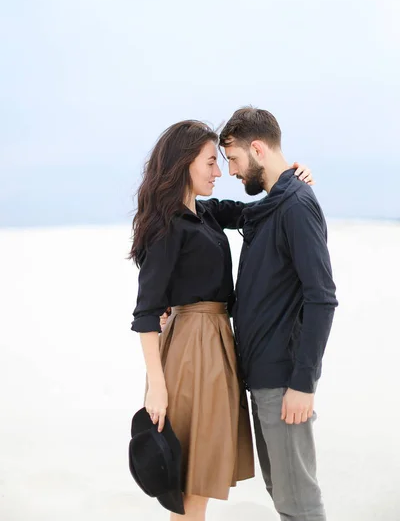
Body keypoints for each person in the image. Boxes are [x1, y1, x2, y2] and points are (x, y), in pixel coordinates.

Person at [130, 119, 314, 521]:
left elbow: (261, 211)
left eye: (221, 162)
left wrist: (293, 179)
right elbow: (145, 315)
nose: (220, 172)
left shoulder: (207, 213)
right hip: (190, 354)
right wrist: (156, 389)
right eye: (211, 162)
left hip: (218, 349)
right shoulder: (166, 226)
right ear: (183, 164)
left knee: (202, 480)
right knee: (189, 487)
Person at [219, 107, 338, 521]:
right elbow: (230, 212)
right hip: (263, 377)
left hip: (285, 382)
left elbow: (322, 297)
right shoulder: (275, 203)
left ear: (257, 148)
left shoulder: (296, 206)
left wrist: (304, 384)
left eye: (233, 159)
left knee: (299, 504)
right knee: (284, 497)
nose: (231, 170)